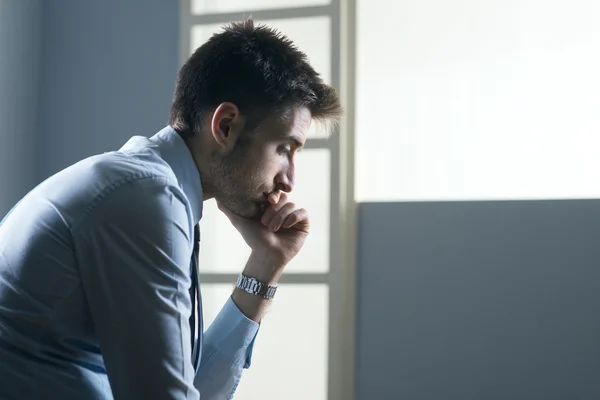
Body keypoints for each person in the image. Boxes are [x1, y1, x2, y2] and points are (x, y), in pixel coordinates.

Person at [0, 18, 341, 399]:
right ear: (225, 126)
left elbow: (196, 389)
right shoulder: (146, 198)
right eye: (284, 149)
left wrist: (266, 263)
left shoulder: (152, 188)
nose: (288, 181)